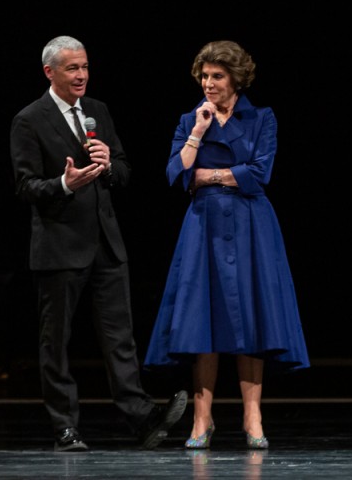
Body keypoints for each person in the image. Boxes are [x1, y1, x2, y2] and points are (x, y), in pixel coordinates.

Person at [9, 35, 187, 452]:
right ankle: (64, 426)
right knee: (57, 341)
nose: (82, 75)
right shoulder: (29, 120)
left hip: (106, 243)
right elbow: (25, 186)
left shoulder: (98, 112)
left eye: (85, 66)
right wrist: (64, 184)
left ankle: (142, 418)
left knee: (119, 337)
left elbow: (124, 172)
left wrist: (108, 165)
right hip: (59, 245)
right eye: (72, 68)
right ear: (49, 72)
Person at [143, 40, 310, 450]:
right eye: (204, 76)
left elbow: (259, 173)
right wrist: (198, 133)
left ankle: (253, 416)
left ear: (236, 77)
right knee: (203, 318)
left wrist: (209, 175)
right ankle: (202, 418)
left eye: (217, 76)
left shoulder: (261, 117)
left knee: (251, 317)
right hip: (203, 226)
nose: (209, 83)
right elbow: (175, 174)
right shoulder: (189, 120)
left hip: (252, 224)